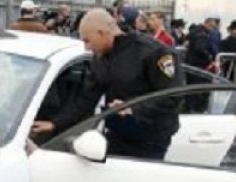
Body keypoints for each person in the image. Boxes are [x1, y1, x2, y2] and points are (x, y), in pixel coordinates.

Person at [31, 9, 183, 160]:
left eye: (87, 40)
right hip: (117, 135)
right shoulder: (100, 58)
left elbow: (173, 95)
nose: (86, 47)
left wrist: (133, 108)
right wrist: (55, 123)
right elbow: (86, 99)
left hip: (151, 140)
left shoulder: (153, 52)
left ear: (102, 33)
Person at [185, 16, 217, 111]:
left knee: (191, 88)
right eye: (211, 27)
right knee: (197, 89)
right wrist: (210, 57)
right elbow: (200, 48)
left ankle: (190, 107)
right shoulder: (202, 34)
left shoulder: (195, 30)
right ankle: (195, 108)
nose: (212, 29)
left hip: (191, 64)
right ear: (207, 24)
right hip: (198, 65)